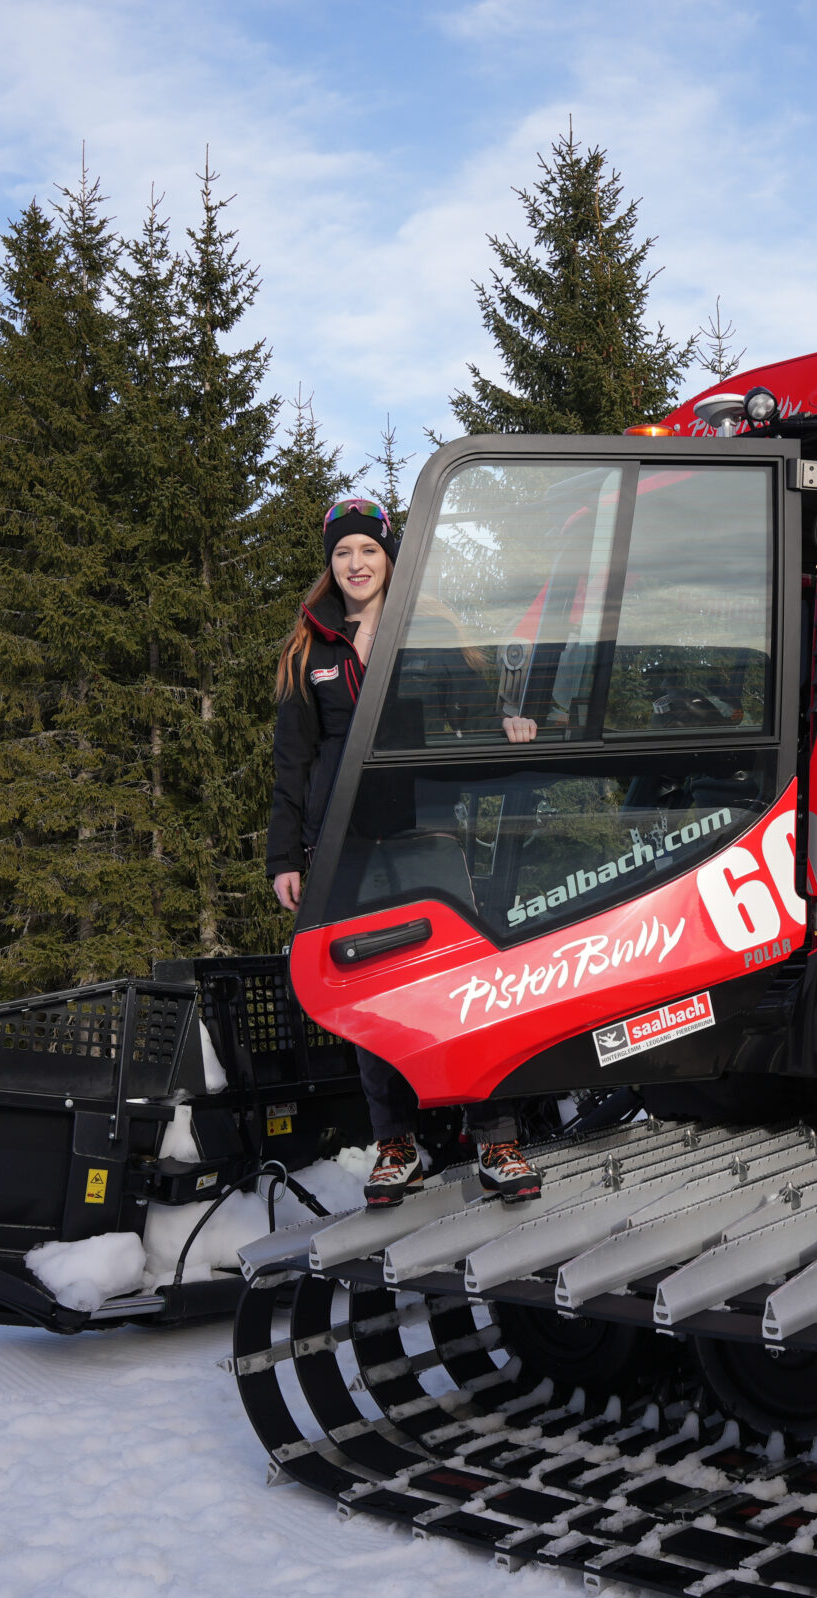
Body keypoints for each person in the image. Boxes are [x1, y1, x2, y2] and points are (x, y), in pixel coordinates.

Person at [267, 495, 545, 1208]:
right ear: (329, 564)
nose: (356, 564)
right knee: (371, 995)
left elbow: (477, 713)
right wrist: (285, 859)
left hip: (426, 833)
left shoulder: (427, 631)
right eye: (342, 553)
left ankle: (495, 1138)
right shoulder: (310, 647)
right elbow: (291, 764)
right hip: (343, 847)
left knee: (459, 981)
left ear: (389, 555)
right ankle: (398, 1144)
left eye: (367, 549)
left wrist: (509, 724)